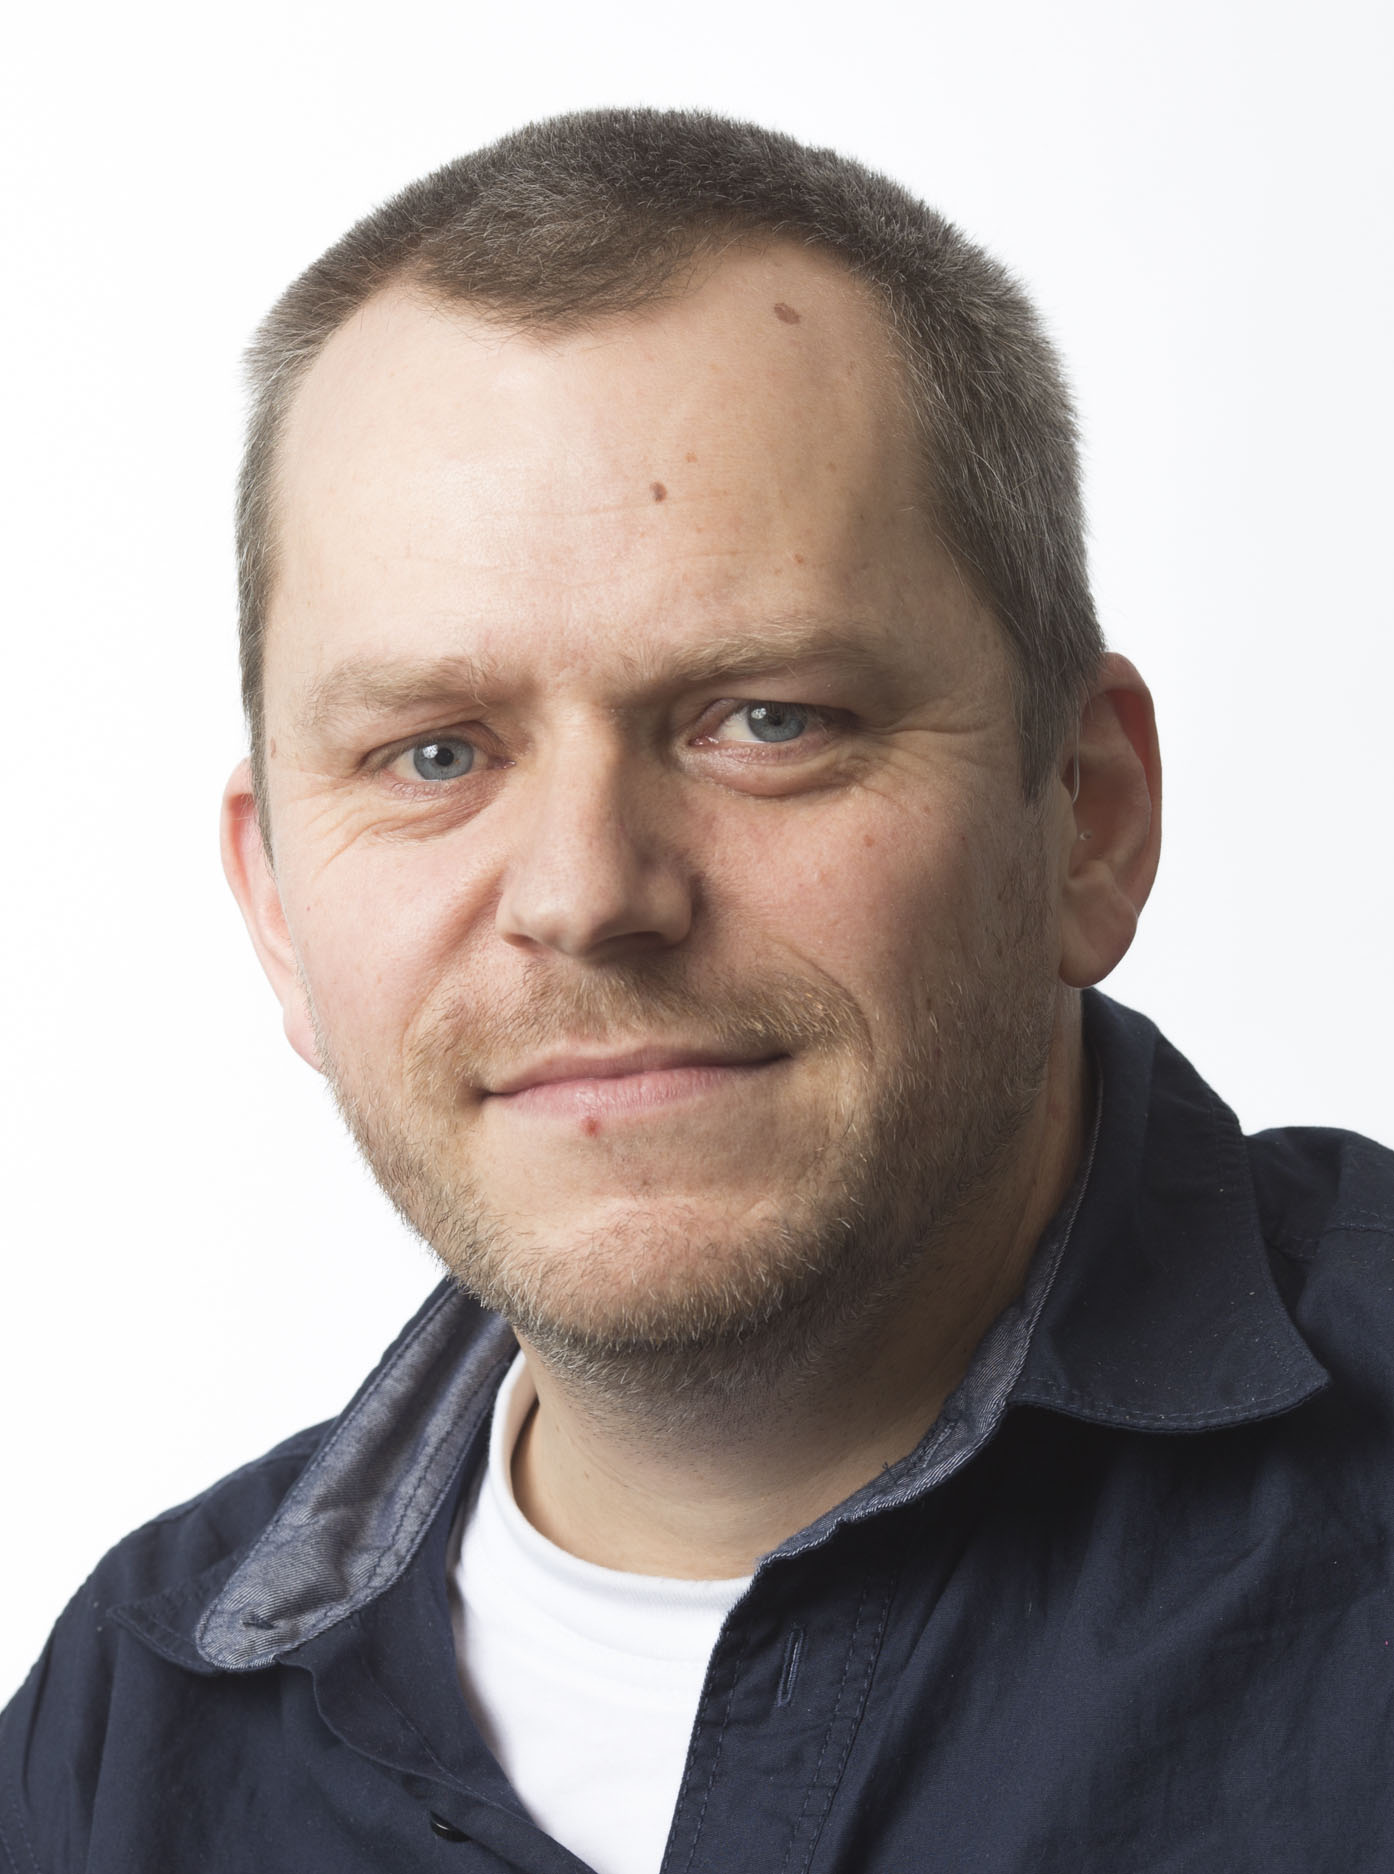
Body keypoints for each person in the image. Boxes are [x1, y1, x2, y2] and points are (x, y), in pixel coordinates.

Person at [2, 107, 1391, 1874]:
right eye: (434, 752)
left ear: (1085, 818)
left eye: (767, 719)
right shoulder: (121, 1740)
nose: (588, 894)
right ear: (277, 905)